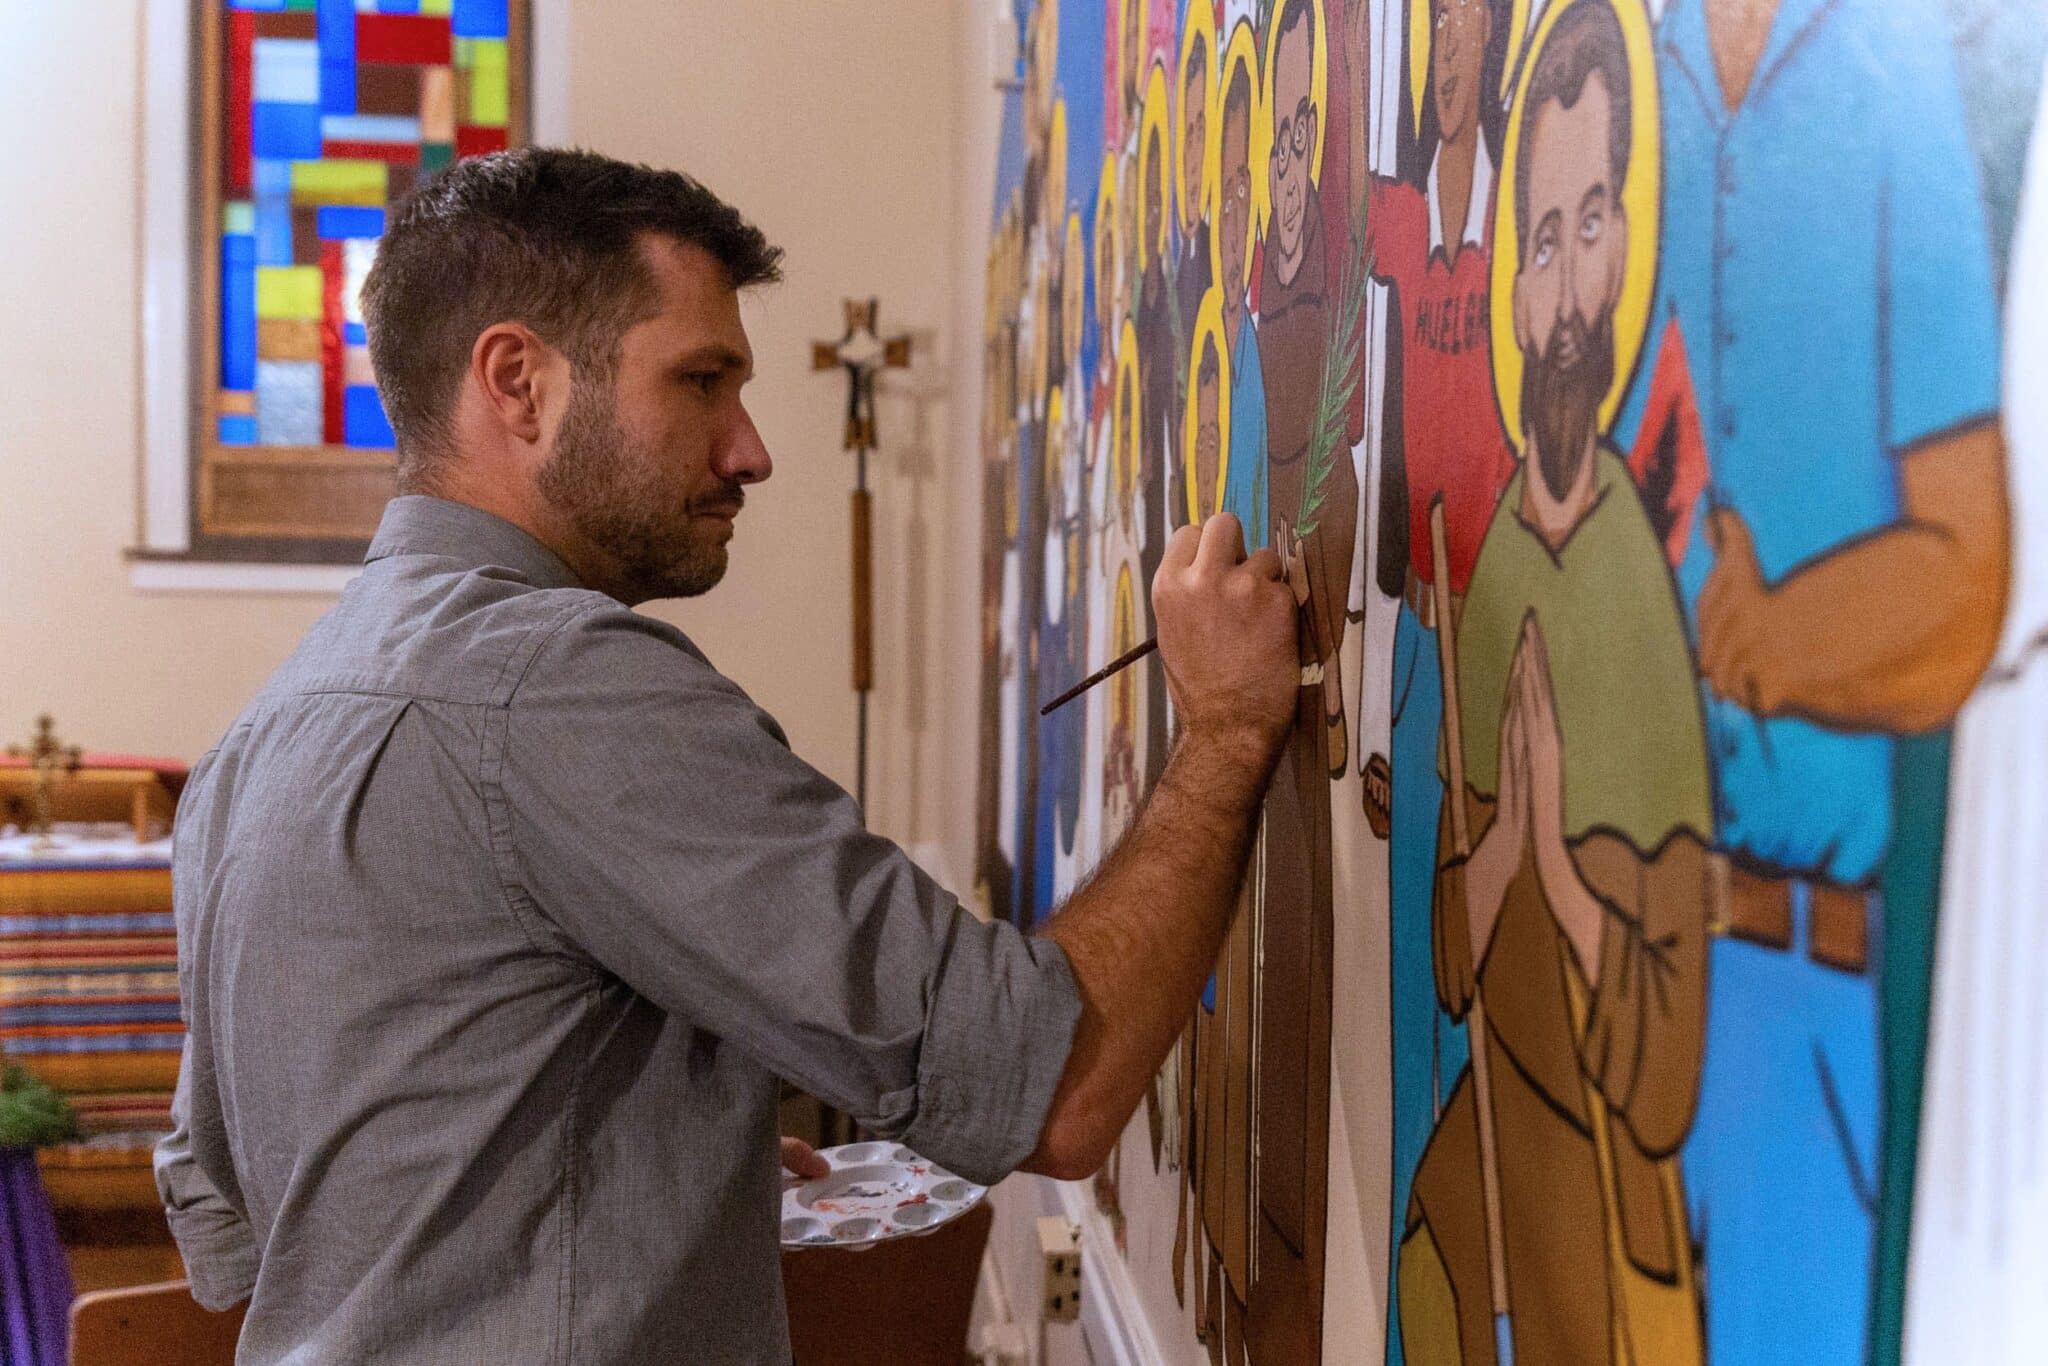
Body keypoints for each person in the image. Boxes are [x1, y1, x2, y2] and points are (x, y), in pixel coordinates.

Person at [154, 148, 1302, 1365]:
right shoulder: (559, 685)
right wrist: (1224, 730)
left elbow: (233, 1232)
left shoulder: (264, 732)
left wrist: (631, 1165)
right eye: (699, 380)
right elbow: (1059, 1086)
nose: (748, 449)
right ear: (518, 382)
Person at [1624, 1, 2008, 1360]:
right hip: (1610, 963)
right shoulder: (1625, 74)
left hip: (1795, 979)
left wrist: (1771, 641)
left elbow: (1968, 577)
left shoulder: (1897, 71)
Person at [1397, 9, 1711, 1361]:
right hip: (1508, 1090)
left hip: (1600, 1137)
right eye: (1543, 236)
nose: (1571, 288)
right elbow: (1451, 965)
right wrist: (1512, 838)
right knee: (1424, 1261)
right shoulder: (1500, 560)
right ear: (1515, 290)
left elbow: (1669, 1054)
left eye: (1596, 223)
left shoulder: (1640, 588)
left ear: (1629, 251)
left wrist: (1573, 889)